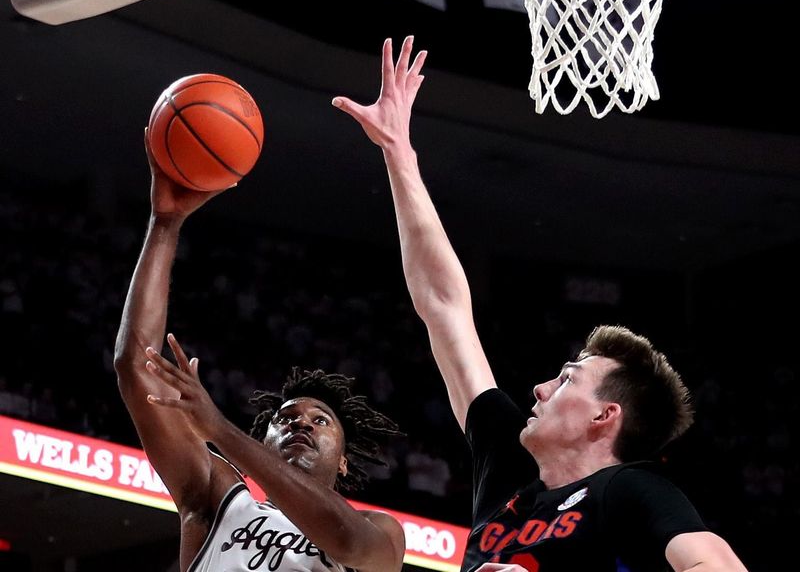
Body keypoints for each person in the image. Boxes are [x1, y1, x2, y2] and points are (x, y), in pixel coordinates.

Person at [332, 36, 749, 572]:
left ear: (606, 416)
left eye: (568, 379)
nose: (539, 387)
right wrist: (399, 154)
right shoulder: (509, 460)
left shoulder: (631, 491)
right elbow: (444, 307)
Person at [113, 135, 405, 572]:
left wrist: (219, 429)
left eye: (320, 421)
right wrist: (165, 222)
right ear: (265, 443)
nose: (301, 423)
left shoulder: (379, 529)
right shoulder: (218, 500)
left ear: (343, 462)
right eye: (284, 419)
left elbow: (349, 541)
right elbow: (136, 368)